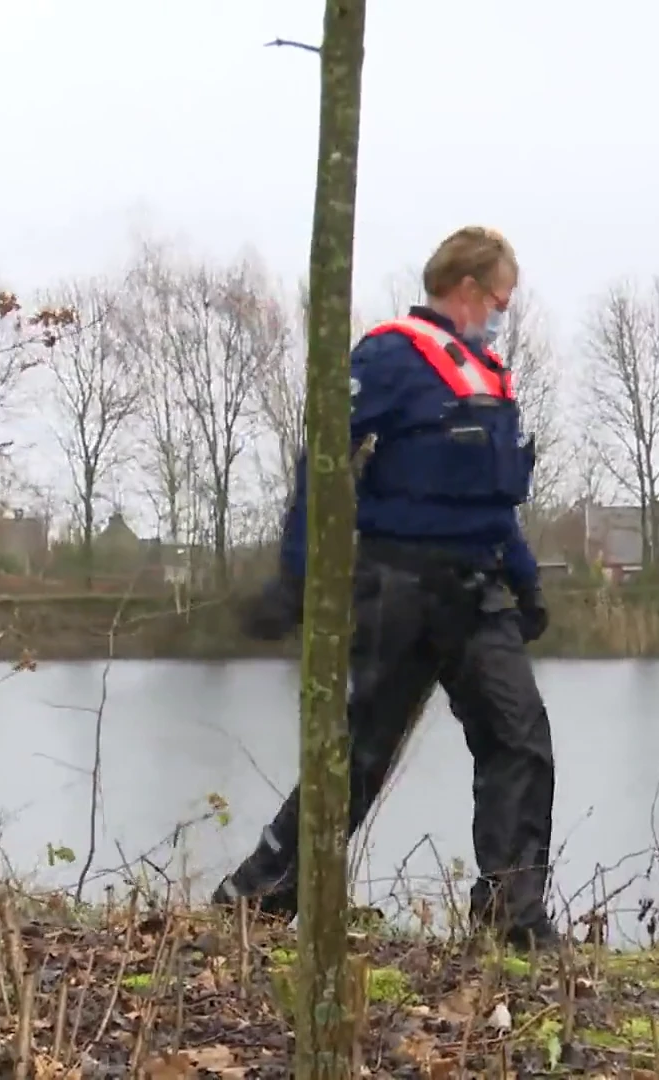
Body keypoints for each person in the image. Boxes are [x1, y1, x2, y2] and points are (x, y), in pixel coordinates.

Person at [215, 226, 560, 950]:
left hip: (478, 589)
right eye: (501, 298)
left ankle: (512, 920)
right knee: (359, 756)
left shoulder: (489, 375)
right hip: (399, 587)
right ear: (467, 290)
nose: (503, 311)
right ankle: (255, 903)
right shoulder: (392, 356)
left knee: (520, 741)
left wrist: (526, 585)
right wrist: (298, 573)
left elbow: (494, 502)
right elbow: (324, 457)